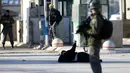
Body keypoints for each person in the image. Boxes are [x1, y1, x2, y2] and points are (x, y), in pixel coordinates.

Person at [76, 0, 103, 73]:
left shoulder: (96, 19)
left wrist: (86, 31)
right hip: (94, 42)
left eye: (93, 9)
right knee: (94, 61)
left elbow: (95, 31)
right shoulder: (96, 17)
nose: (92, 11)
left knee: (94, 61)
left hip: (94, 42)